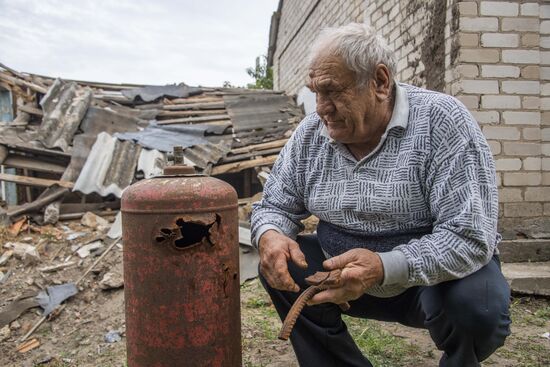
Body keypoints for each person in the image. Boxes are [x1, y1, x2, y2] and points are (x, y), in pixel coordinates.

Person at [250, 23, 511, 367]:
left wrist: (384, 266)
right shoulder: (312, 134)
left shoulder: (442, 121)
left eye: (331, 91)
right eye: (315, 91)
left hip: (429, 283)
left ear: (380, 82)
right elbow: (275, 203)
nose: (320, 108)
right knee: (284, 266)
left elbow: (469, 236)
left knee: (478, 309)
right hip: (340, 276)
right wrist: (269, 234)